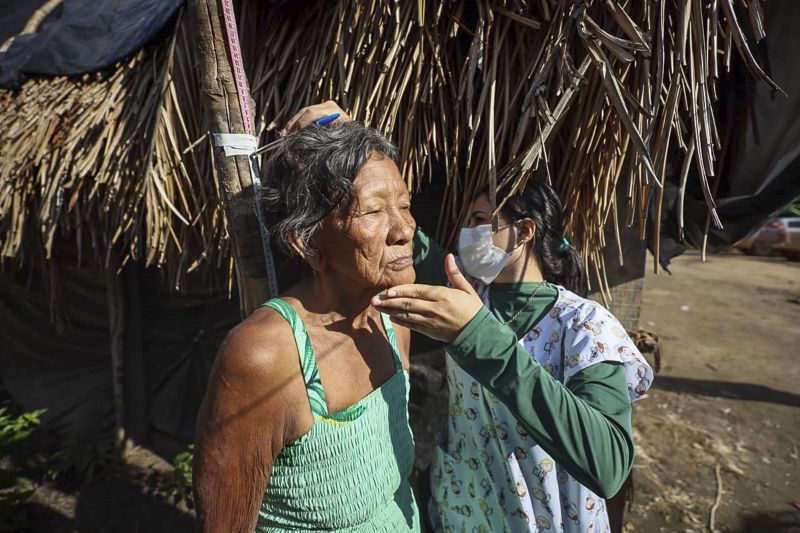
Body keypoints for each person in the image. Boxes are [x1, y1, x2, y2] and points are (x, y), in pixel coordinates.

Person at [192, 122, 421, 532]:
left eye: (404, 205)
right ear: (307, 243)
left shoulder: (390, 317)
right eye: (373, 211)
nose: (403, 229)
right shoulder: (265, 356)